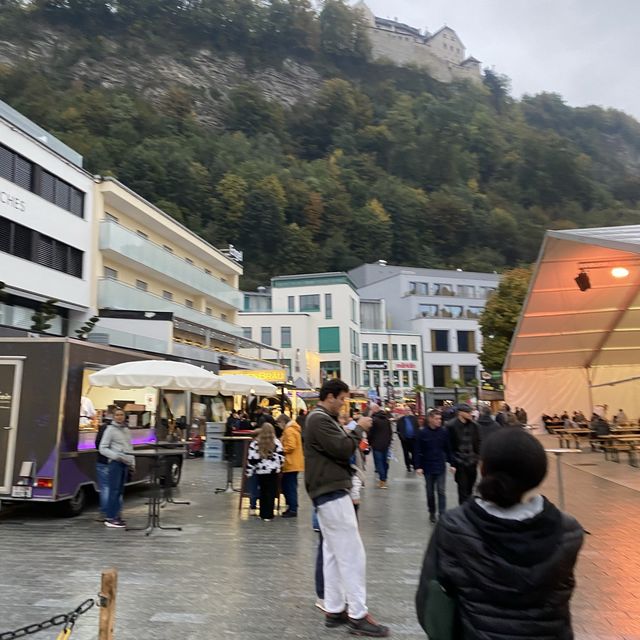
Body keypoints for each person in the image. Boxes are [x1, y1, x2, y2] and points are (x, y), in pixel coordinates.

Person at [416, 428, 584, 639]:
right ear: (539, 473)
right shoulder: (568, 531)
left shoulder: (454, 527)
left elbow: (428, 601)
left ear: (483, 468)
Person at [304, 379, 389, 637]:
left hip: (326, 489)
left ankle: (334, 608)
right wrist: (358, 428)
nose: (343, 405)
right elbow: (341, 448)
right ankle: (358, 614)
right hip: (330, 490)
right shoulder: (318, 419)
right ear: (330, 397)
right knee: (352, 552)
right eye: (342, 399)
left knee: (331, 551)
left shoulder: (319, 419)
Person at [414, 409, 453, 524]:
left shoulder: (443, 432)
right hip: (427, 466)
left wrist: (452, 463)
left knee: (441, 490)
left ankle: (442, 513)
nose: (439, 421)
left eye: (440, 418)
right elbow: (417, 450)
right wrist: (418, 466)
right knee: (430, 491)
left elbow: (448, 448)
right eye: (436, 419)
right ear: (430, 419)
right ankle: (432, 511)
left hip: (440, 465)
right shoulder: (422, 433)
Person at [99, 408, 135, 529]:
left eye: (122, 415)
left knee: (119, 492)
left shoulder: (126, 430)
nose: (119, 417)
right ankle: (110, 517)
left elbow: (130, 447)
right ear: (113, 416)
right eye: (117, 415)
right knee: (113, 491)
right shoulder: (110, 430)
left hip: (125, 463)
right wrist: (115, 456)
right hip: (115, 464)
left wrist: (132, 463)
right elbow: (102, 448)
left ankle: (116, 516)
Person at [246, 423, 284, 521]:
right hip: (273, 471)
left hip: (261, 471)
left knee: (263, 491)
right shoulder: (277, 443)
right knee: (271, 492)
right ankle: (269, 514)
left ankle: (263, 513)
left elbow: (251, 458)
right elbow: (281, 458)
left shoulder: (255, 443)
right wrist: (279, 466)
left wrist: (249, 471)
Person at [447, 403, 481, 505]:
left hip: (472, 461)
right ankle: (463, 511)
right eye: (468, 412)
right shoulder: (451, 426)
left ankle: (468, 509)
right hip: (459, 461)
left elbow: (478, 442)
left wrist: (478, 457)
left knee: (471, 488)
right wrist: (453, 463)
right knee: (462, 489)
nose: (471, 414)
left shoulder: (475, 425)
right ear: (460, 413)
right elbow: (450, 445)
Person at [281, 416, 304, 518]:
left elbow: (291, 446)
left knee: (289, 486)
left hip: (290, 462)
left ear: (282, 422)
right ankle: (292, 506)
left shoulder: (289, 430)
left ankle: (292, 508)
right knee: (290, 485)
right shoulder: (294, 429)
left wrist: (281, 449)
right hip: (295, 462)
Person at [369, 403, 393, 489]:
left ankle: (382, 480)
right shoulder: (386, 418)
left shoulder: (374, 419)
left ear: (374, 409)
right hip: (386, 444)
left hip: (376, 444)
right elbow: (390, 432)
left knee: (379, 463)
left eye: (371, 409)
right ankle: (384, 478)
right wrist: (389, 441)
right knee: (384, 462)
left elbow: (370, 433)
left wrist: (369, 442)